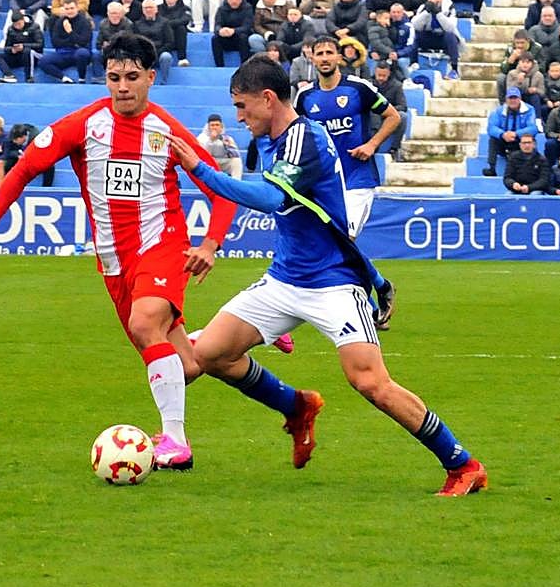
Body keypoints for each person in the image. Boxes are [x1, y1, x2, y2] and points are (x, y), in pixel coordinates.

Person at [166, 57, 488, 495]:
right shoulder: (271, 140)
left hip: (333, 284)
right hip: (284, 281)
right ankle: (295, 406)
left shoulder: (306, 138)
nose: (239, 117)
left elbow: (268, 197)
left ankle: (463, 464)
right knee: (213, 356)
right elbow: (320, 216)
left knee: (370, 382)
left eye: (242, 106)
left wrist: (200, 170)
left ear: (267, 99)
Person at [0, 33, 237, 470]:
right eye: (113, 78)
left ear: (150, 77)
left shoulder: (167, 132)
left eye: (131, 77)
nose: (122, 87)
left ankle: (175, 443)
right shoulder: (85, 125)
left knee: (145, 323)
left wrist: (210, 243)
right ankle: (242, 327)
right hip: (113, 259)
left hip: (162, 244)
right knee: (184, 366)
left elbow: (222, 189)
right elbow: (24, 168)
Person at [293, 34, 400, 328]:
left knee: (343, 240)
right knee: (334, 245)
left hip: (357, 179)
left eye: (330, 52)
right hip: (325, 185)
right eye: (320, 53)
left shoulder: (358, 88)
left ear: (340, 57)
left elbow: (393, 117)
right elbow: (297, 134)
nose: (325, 58)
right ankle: (377, 292)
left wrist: (372, 145)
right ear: (312, 58)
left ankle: (372, 296)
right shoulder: (304, 98)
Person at [197, 113, 243, 178]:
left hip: (222, 162)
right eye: (212, 125)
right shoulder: (202, 138)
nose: (215, 127)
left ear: (221, 127)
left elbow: (235, 154)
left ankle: (236, 182)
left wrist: (227, 147)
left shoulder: (227, 138)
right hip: (209, 163)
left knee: (236, 160)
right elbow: (203, 156)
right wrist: (211, 140)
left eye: (217, 125)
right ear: (208, 127)